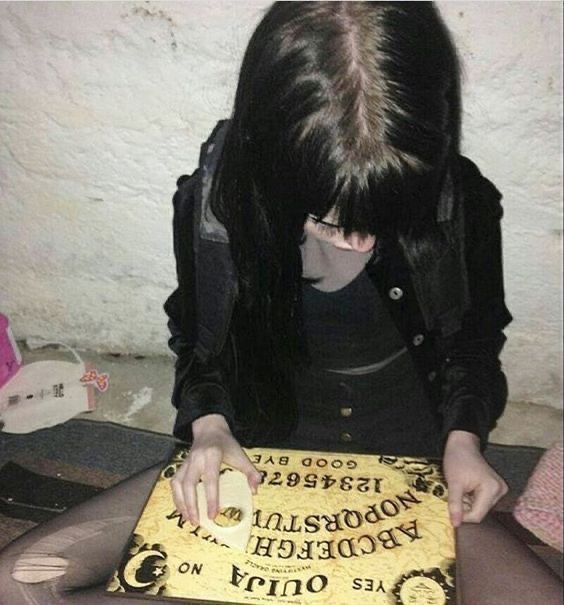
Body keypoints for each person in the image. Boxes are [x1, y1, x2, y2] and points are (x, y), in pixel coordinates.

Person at [0, 3, 561, 605]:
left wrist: (464, 439)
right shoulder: (218, 203)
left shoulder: (461, 198)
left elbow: (474, 342)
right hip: (256, 450)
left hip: (408, 465)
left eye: (383, 217)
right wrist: (209, 427)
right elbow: (196, 336)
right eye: (328, 218)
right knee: (20, 580)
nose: (360, 242)